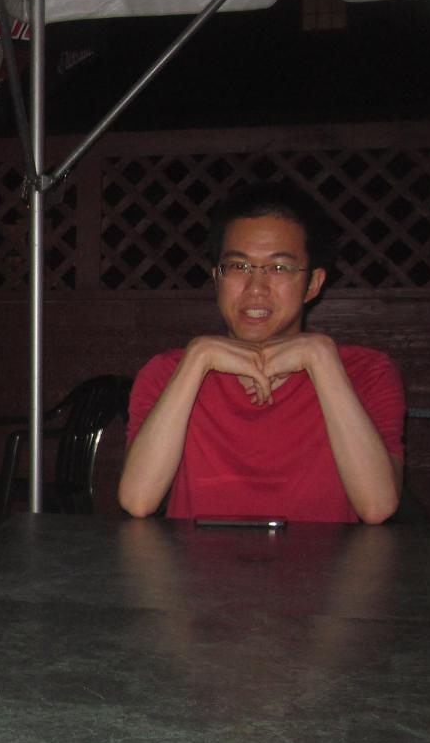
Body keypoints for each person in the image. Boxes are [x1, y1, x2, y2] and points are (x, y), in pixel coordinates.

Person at [118, 182, 404, 524]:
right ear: (217, 278)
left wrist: (321, 358)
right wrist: (198, 358)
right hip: (200, 560)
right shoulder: (169, 372)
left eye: (279, 268)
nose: (255, 289)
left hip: (324, 561)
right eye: (238, 267)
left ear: (313, 284)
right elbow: (137, 500)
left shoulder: (367, 371)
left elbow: (377, 506)